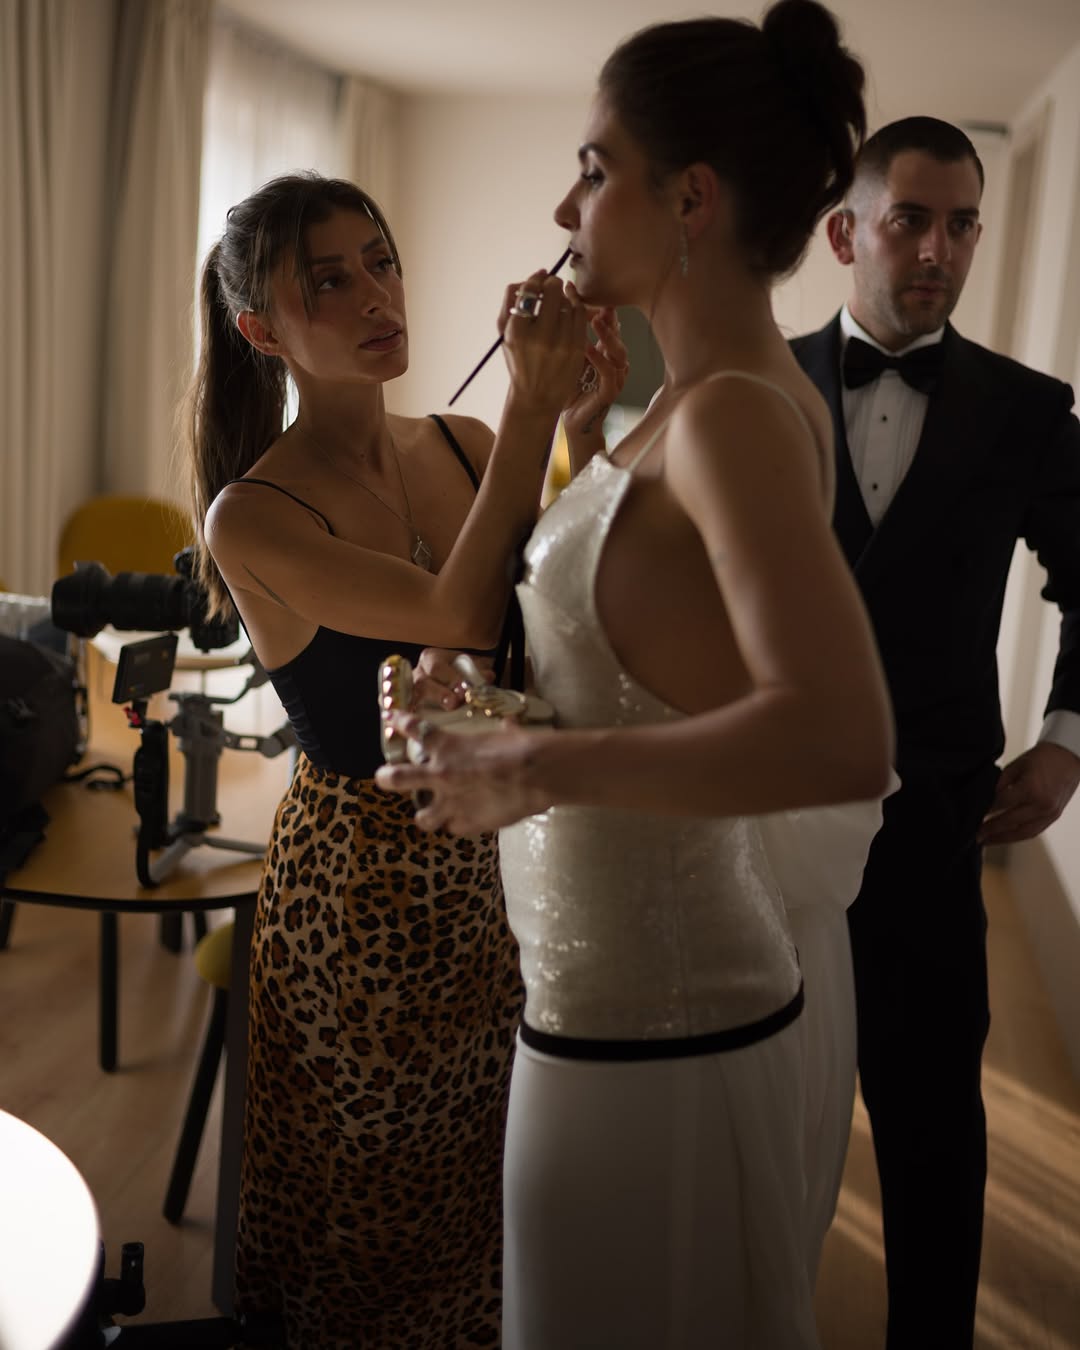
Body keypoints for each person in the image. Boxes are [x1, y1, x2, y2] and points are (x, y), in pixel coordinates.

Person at [377, 4, 894, 1345]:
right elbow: (658, 663)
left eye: (596, 168)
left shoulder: (731, 417)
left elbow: (841, 737)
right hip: (602, 1010)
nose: (567, 206)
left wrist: (530, 763)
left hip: (666, 1032)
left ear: (691, 200)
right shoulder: (683, 402)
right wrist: (492, 715)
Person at [185, 171, 608, 1347]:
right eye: (329, 280)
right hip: (359, 902)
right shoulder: (251, 514)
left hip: (500, 877)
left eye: (381, 260)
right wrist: (533, 410)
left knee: (491, 1191)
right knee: (365, 1220)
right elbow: (456, 616)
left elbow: (555, 623)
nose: (377, 295)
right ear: (261, 329)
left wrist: (575, 428)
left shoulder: (467, 445)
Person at [790, 116, 1080, 1347]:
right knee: (766, 1126)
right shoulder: (747, 388)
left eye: (964, 225)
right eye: (910, 219)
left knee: (932, 1136)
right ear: (845, 231)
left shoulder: (1028, 411)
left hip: (935, 826)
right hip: (764, 827)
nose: (939, 250)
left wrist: (1066, 740)